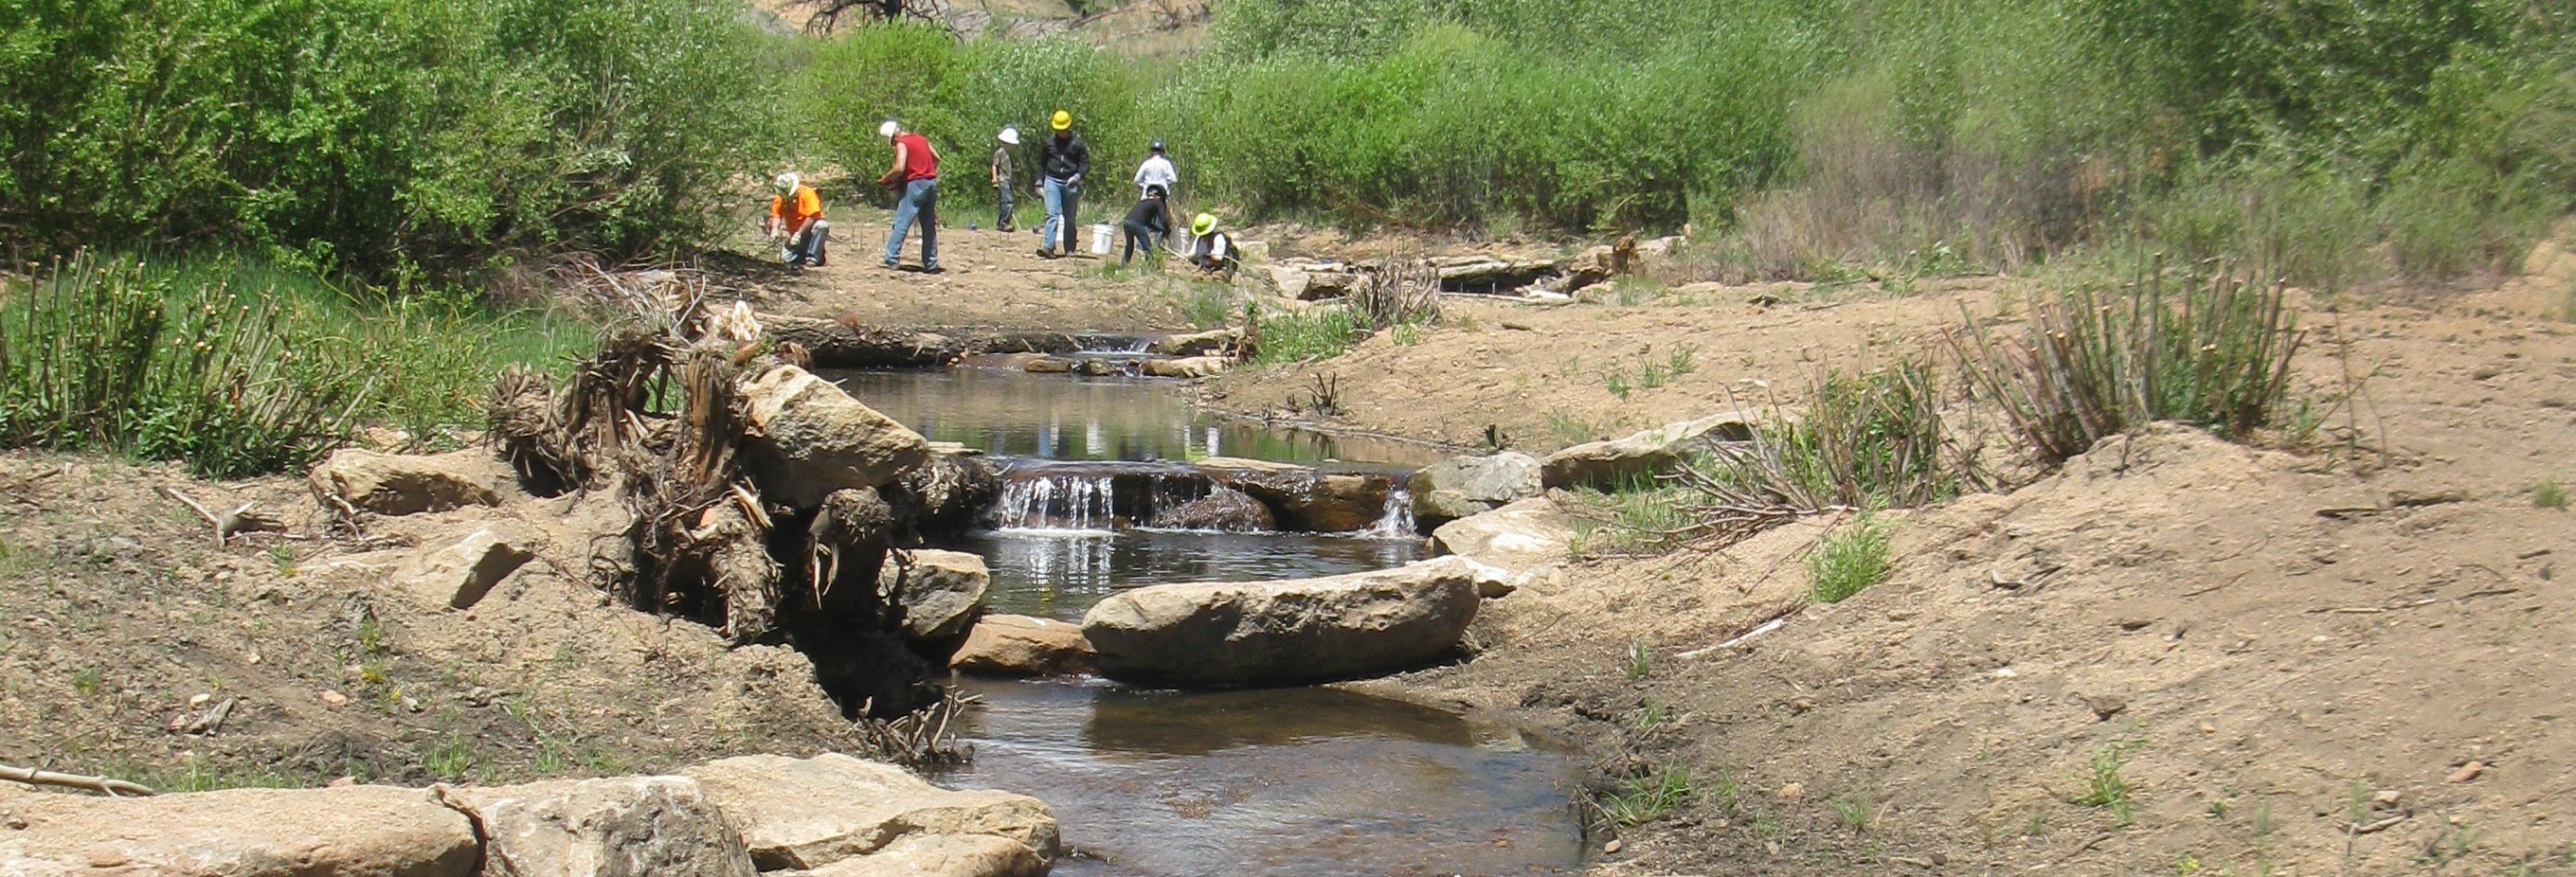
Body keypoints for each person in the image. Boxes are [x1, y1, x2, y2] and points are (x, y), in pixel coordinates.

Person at [876, 119, 940, 272]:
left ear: (894, 137)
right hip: (931, 182)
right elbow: (936, 157)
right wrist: (928, 172)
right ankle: (931, 263)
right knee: (928, 224)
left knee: (902, 221)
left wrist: (887, 177)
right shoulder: (922, 139)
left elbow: (900, 167)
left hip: (915, 184)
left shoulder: (902, 143)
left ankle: (891, 258)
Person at [1034, 109, 1090, 258]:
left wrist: (1077, 176)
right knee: (1052, 214)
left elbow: (1085, 164)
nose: (1061, 133)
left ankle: (1069, 249)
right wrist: (1039, 182)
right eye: (1058, 130)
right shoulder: (1049, 143)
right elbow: (1041, 163)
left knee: (1070, 217)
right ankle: (1048, 247)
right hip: (1052, 180)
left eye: (1063, 130)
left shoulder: (1078, 144)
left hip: (1071, 183)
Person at [765, 172, 828, 267]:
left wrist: (799, 233)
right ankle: (802, 254)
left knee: (822, 225)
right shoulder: (781, 196)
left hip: (808, 232)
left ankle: (813, 257)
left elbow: (812, 217)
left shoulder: (807, 193)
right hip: (795, 238)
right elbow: (776, 215)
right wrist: (774, 229)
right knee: (786, 259)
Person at [1120, 184, 1171, 266]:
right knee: (1148, 248)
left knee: (1129, 246)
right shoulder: (1158, 203)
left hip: (1126, 221)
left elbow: (1146, 222)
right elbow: (1163, 220)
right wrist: (1167, 231)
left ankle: (1123, 266)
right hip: (1137, 224)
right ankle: (1151, 268)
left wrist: (1157, 229)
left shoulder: (1144, 202)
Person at [1187, 211, 1235, 277]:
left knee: (1216, 278)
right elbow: (1191, 254)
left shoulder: (1218, 238)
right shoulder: (1198, 238)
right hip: (1204, 268)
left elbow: (1218, 258)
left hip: (1219, 269)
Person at [990, 126, 1020, 233]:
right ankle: (1004, 223)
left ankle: (1001, 223)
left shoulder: (1008, 154)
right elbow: (994, 166)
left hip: (1007, 180)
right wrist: (994, 179)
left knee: (1004, 202)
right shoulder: (999, 152)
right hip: (1002, 180)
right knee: (1008, 202)